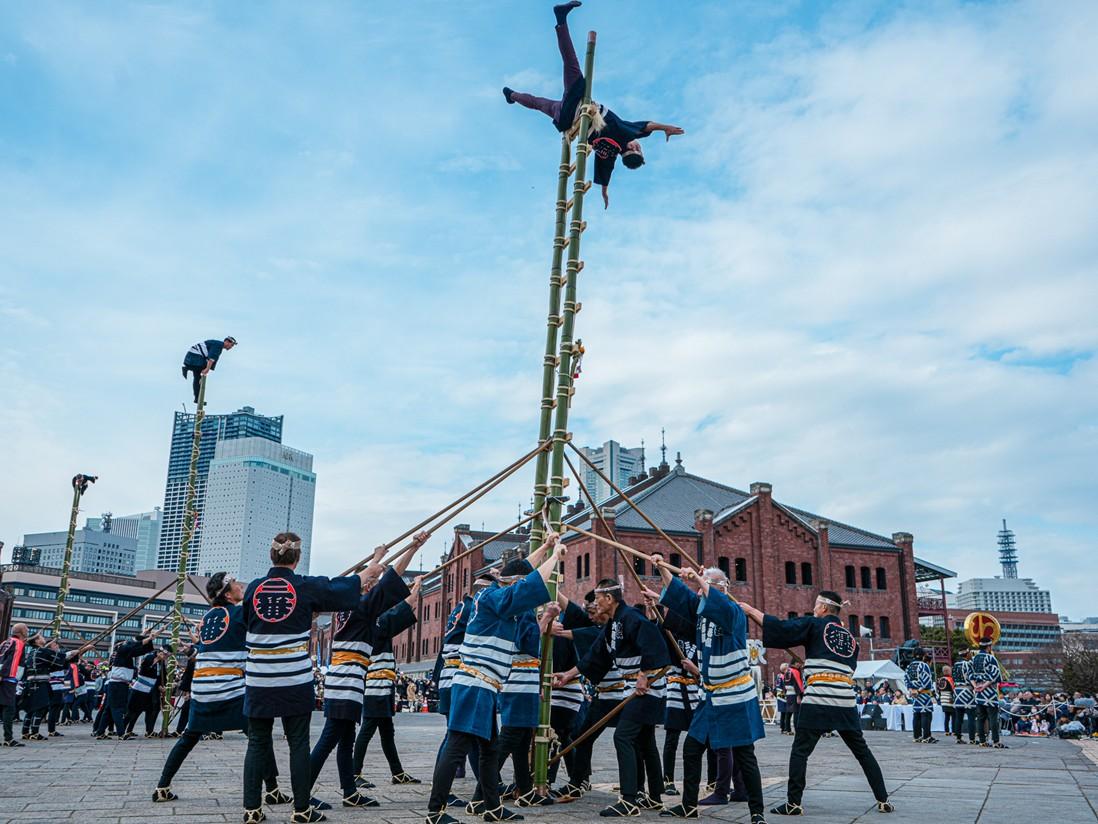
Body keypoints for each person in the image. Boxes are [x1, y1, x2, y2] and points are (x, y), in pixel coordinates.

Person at [424, 534, 568, 824]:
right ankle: (435, 811)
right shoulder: (494, 599)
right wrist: (556, 558)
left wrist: (547, 546)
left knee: (489, 749)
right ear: (509, 584)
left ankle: (491, 807)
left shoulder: (498, 596)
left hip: (485, 685)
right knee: (457, 745)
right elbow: (526, 585)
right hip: (475, 683)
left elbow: (522, 571)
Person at [240, 532, 377, 824]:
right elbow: (357, 582)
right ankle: (301, 810)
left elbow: (246, 626)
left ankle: (252, 810)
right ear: (298, 558)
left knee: (257, 743)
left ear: (271, 556)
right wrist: (377, 559)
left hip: (259, 678)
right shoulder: (305, 586)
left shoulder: (253, 588)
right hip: (293, 678)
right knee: (298, 742)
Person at [503, 2, 684, 210]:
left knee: (570, 62)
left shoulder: (624, 135)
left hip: (578, 106)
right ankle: (512, 95)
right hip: (566, 120)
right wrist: (605, 191)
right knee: (538, 103)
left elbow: (646, 126)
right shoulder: (608, 154)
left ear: (634, 148)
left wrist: (665, 128)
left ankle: (560, 19)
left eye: (639, 149)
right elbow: (605, 174)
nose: (639, 145)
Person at [739, 592, 894, 817]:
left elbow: (782, 629)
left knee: (800, 751)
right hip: (845, 701)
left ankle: (793, 803)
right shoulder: (851, 639)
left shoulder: (815, 624)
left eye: (815, 606)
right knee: (862, 752)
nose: (813, 610)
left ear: (823, 608)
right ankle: (883, 799)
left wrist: (751, 611)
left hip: (819, 699)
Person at [154, 572, 288, 806]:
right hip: (229, 688)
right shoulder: (239, 613)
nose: (240, 585)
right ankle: (273, 790)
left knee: (189, 737)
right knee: (260, 738)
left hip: (203, 689)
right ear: (227, 593)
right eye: (235, 583)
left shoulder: (207, 617)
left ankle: (162, 786)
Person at [307, 542, 420, 810]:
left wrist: (379, 556)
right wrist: (414, 548)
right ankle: (302, 793)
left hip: (344, 682)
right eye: (369, 582)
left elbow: (379, 574)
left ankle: (349, 791)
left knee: (346, 739)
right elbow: (390, 576)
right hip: (347, 684)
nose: (372, 584)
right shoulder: (362, 607)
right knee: (329, 740)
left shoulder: (345, 607)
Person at [656, 566, 766, 824]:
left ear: (721, 587)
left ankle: (757, 812)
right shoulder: (702, 611)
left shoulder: (734, 612)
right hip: (710, 695)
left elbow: (716, 605)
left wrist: (698, 579)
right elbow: (682, 596)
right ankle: (688, 805)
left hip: (736, 694)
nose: (699, 589)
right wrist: (661, 569)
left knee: (744, 754)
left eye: (705, 585)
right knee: (692, 748)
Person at [554, 578, 669, 818]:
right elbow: (596, 656)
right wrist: (568, 674)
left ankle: (628, 799)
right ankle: (655, 796)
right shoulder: (614, 624)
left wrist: (644, 674)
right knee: (644, 740)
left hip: (647, 688)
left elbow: (654, 644)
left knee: (623, 737)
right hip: (634, 688)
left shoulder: (632, 618)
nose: (595, 604)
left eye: (597, 599)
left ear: (609, 598)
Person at [350, 569, 424, 793]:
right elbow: (407, 604)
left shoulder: (367, 617)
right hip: (376, 686)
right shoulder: (378, 620)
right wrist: (418, 585)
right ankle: (354, 773)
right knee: (368, 729)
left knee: (386, 731)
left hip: (379, 685)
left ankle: (397, 771)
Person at [971, 636, 1005, 749]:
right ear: (989, 646)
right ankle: (995, 741)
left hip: (978, 693)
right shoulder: (991, 658)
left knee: (980, 718)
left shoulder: (974, 658)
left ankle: (982, 740)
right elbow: (995, 675)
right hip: (989, 692)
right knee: (993, 718)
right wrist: (984, 686)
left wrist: (976, 686)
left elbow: (970, 675)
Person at [181, 336, 237, 403]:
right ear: (227, 342)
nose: (231, 347)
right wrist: (207, 369)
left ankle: (197, 399)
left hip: (193, 357)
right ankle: (187, 368)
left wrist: (206, 370)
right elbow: (211, 359)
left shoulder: (217, 345)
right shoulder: (218, 345)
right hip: (194, 357)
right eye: (232, 345)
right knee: (198, 376)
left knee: (197, 378)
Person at [1, 624, 29, 747]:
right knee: (9, 707)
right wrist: (9, 676)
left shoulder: (5, 642)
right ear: (22, 631)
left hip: (3, 676)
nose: (28, 631)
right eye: (26, 630)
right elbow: (12, 661)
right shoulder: (18, 643)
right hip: (8, 678)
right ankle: (8, 738)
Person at [904, 648, 936, 744]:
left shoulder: (909, 666)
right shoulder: (924, 665)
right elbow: (926, 681)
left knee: (916, 715)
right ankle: (926, 736)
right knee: (926, 714)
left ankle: (916, 736)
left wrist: (911, 690)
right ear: (923, 656)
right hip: (923, 693)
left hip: (914, 694)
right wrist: (918, 690)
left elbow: (906, 679)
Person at [952, 650, 976, 744]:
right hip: (967, 690)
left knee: (958, 716)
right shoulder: (968, 664)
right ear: (967, 654)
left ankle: (958, 737)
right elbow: (971, 677)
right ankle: (972, 738)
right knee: (971, 716)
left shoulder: (955, 665)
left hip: (957, 691)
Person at [937, 666, 955, 736]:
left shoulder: (940, 679)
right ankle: (954, 731)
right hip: (949, 699)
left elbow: (938, 691)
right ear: (948, 671)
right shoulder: (950, 679)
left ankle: (947, 731)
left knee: (946, 716)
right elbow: (953, 690)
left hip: (943, 700)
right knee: (954, 716)